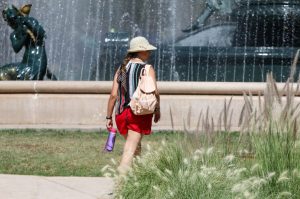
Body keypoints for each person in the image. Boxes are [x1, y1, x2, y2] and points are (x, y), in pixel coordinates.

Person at [106, 36, 161, 174]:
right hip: (138, 113)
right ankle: (121, 183)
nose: (149, 53)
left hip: (120, 114)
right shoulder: (147, 69)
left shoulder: (121, 69)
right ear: (140, 52)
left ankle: (136, 178)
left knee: (135, 147)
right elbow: (155, 92)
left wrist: (108, 117)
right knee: (130, 148)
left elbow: (113, 95)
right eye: (147, 50)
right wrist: (157, 109)